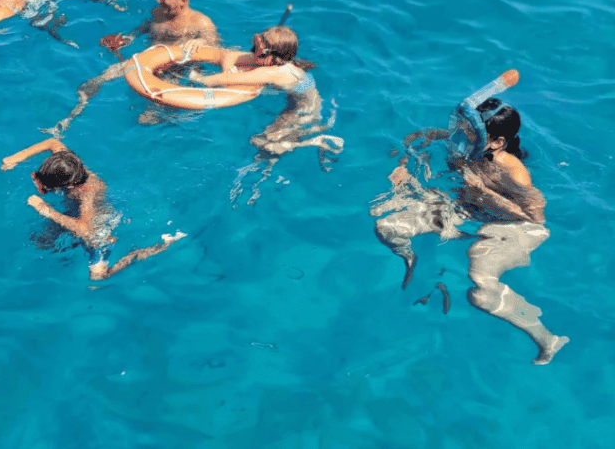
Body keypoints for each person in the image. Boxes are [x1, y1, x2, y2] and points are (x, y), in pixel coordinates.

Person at [372, 92, 568, 365]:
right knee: (387, 226)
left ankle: (549, 339)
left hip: (515, 226)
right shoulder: (463, 143)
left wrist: (486, 192)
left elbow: (535, 217)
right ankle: (411, 259)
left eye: (470, 134)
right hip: (468, 208)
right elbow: (416, 137)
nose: (460, 137)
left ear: (498, 142)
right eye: (462, 129)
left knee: (481, 290)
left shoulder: (513, 171)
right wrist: (403, 166)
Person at [45, 0, 219, 135]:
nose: (158, 0)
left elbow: (217, 54)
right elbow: (144, 27)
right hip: (144, 61)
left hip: (175, 71)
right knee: (94, 82)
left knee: (146, 119)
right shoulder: (157, 13)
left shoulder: (201, 23)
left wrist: (201, 43)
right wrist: (128, 38)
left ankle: (166, 121)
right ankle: (68, 120)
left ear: (183, 0)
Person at [187, 25, 343, 204]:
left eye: (258, 47)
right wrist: (230, 68)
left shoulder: (272, 72)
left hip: (304, 113)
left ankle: (314, 142)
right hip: (307, 103)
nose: (253, 48)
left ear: (269, 55)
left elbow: (211, 81)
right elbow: (230, 55)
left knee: (264, 144)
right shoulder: (277, 63)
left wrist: (195, 75)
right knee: (264, 142)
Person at [1, 138, 187, 281]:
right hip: (74, 213)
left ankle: (154, 247)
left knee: (97, 278)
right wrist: (15, 158)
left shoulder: (88, 192)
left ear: (68, 185)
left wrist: (45, 209)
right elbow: (53, 142)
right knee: (41, 243)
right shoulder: (67, 162)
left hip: (97, 227)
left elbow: (85, 229)